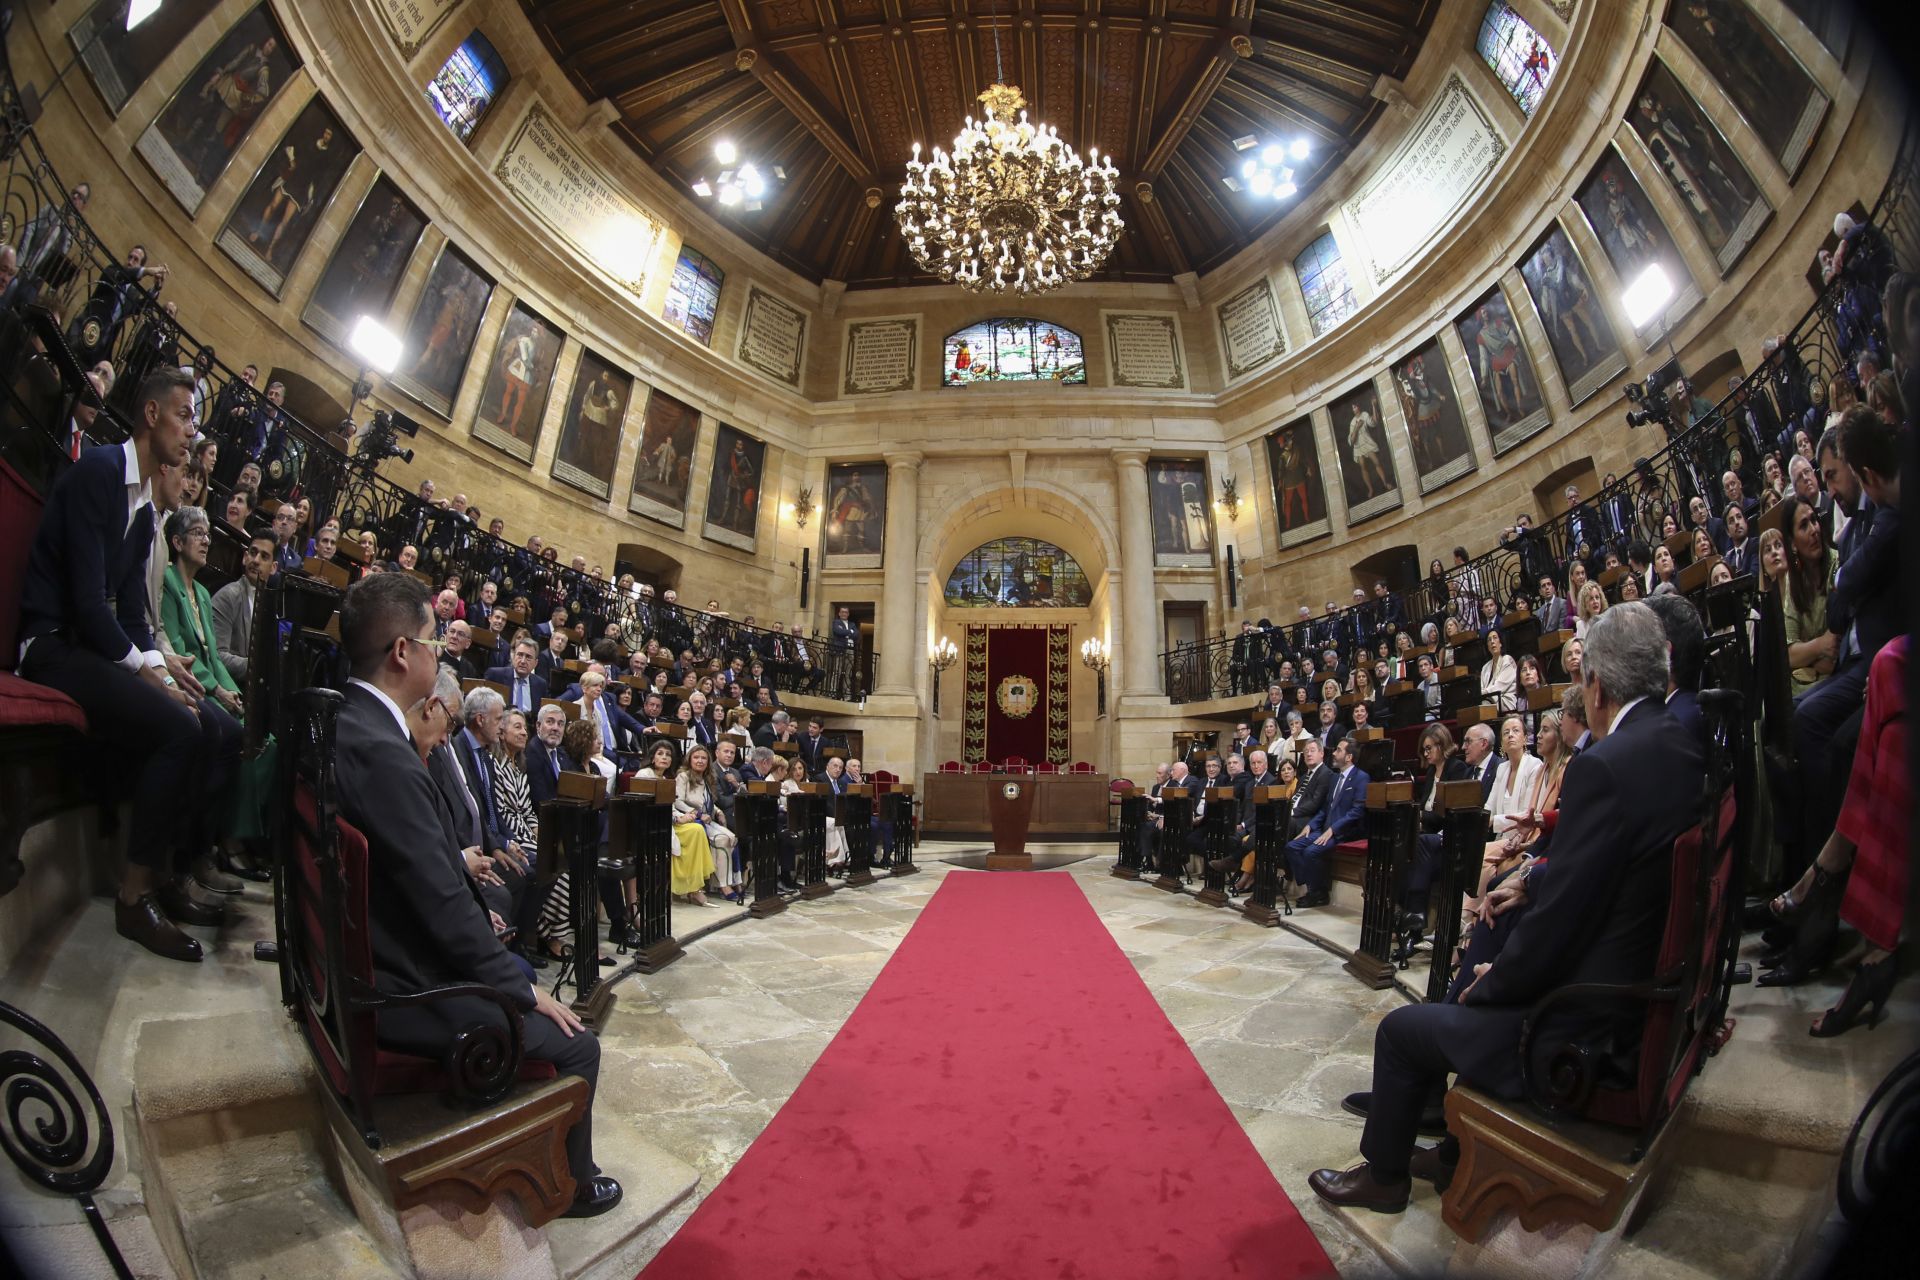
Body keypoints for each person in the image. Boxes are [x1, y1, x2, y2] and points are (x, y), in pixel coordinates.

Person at [1308, 602, 1701, 1213]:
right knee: (1500, 914)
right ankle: (1448, 1138)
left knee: (1399, 1030)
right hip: (1637, 984)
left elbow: (1561, 927)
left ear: (1594, 686)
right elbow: (1616, 872)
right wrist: (1535, 884)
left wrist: (1497, 986)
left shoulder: (1605, 766)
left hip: (1581, 1025)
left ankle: (1384, 1177)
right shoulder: (1681, 741)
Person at [330, 574, 620, 1217]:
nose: (440, 657)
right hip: (402, 986)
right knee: (577, 1042)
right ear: (403, 652)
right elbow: (441, 906)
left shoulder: (345, 721)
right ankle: (570, 1185)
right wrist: (520, 991)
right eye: (434, 642)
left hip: (370, 957)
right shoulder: (385, 754)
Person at [18, 368, 237, 962]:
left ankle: (166, 874)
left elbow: (135, 620)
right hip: (51, 645)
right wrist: (141, 668)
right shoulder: (99, 475)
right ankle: (134, 896)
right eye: (185, 415)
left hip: (89, 647)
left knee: (201, 717)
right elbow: (88, 605)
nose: (192, 432)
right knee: (179, 727)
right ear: (150, 414)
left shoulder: (142, 509)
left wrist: (161, 670)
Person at [1283, 736, 1369, 908]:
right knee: (1292, 846)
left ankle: (1316, 893)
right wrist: (1311, 825)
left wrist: (1333, 830)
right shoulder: (1336, 778)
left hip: (1343, 832)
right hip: (1324, 829)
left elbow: (1356, 812)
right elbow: (1324, 809)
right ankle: (1313, 887)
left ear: (1349, 757)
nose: (1334, 753)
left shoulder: (1361, 778)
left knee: (1310, 852)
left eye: (1338, 750)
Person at [677, 744, 739, 901]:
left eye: (703, 758)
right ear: (689, 759)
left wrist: (718, 812)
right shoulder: (683, 776)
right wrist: (697, 813)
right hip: (691, 820)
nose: (700, 761)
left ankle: (732, 881)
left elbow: (709, 801)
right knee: (722, 839)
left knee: (732, 837)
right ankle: (723, 885)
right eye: (696, 757)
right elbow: (678, 802)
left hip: (708, 819)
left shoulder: (707, 778)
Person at [1479, 628, 1518, 713]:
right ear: (1487, 647)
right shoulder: (1485, 667)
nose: (1492, 641)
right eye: (1489, 640)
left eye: (1495, 638)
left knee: (1483, 705)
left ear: (1500, 643)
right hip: (1488, 700)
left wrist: (1481, 693)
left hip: (1505, 701)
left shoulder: (1507, 660)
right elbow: (1481, 687)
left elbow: (1499, 688)